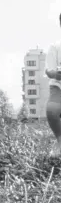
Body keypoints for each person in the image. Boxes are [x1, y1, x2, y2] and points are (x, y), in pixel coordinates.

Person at [45, 13, 61, 157]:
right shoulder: (55, 47)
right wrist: (54, 74)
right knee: (52, 111)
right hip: (58, 87)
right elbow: (50, 70)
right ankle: (60, 140)